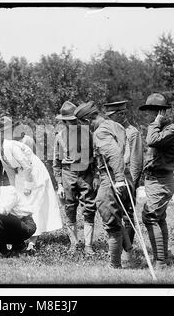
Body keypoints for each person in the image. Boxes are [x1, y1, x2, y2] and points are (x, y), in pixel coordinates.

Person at [0, 116, 63, 253]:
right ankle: (22, 236)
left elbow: (28, 166)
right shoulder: (0, 152)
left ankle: (33, 242)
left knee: (34, 205)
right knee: (22, 203)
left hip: (34, 175)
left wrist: (27, 186)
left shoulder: (11, 146)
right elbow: (10, 172)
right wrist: (14, 189)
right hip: (21, 175)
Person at [75, 101, 131, 268]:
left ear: (87, 120)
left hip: (112, 178)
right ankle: (128, 250)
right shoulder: (114, 125)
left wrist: (119, 179)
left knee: (110, 220)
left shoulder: (100, 132)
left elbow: (113, 154)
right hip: (122, 175)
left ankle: (115, 265)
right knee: (117, 216)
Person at [139, 93, 174, 268]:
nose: (146, 115)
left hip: (162, 181)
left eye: (149, 111)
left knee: (150, 217)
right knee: (158, 218)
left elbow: (151, 141)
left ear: (159, 112)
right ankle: (163, 257)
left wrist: (155, 122)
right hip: (154, 180)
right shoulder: (159, 128)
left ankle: (161, 262)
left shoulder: (171, 130)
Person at [53, 101, 96, 255]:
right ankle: (74, 244)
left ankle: (88, 246)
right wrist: (59, 184)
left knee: (89, 208)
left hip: (85, 174)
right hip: (67, 175)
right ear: (63, 121)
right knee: (69, 208)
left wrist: (93, 173)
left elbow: (95, 156)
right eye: (67, 121)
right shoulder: (59, 137)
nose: (71, 123)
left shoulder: (88, 133)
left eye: (73, 120)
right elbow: (56, 163)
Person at [104, 100, 144, 260]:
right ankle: (117, 252)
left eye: (112, 116)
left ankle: (127, 256)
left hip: (126, 183)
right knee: (114, 216)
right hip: (112, 180)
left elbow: (135, 163)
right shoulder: (111, 131)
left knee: (127, 216)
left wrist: (130, 187)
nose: (109, 120)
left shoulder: (132, 133)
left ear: (121, 114)